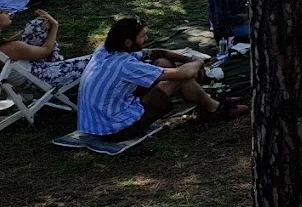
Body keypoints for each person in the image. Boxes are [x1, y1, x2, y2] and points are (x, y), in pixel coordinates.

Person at [77, 17, 247, 140]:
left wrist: (186, 59)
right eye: (143, 36)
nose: (147, 39)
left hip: (94, 123)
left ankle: (208, 101)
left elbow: (157, 53)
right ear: (129, 43)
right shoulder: (126, 65)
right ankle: (215, 109)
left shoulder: (104, 51)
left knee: (162, 62)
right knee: (179, 80)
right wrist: (198, 61)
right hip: (113, 129)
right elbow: (184, 74)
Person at [0, 8, 92, 91]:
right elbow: (46, 51)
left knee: (36, 26)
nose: (6, 11)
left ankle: (59, 62)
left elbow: (8, 41)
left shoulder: (5, 48)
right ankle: (61, 67)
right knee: (97, 60)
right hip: (37, 79)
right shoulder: (11, 48)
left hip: (25, 70)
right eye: (1, 12)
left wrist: (34, 24)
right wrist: (55, 25)